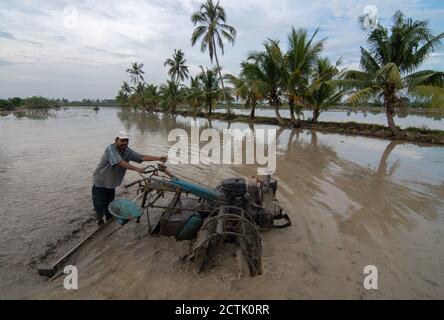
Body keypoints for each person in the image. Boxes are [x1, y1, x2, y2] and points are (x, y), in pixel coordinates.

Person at [92, 131, 167, 225]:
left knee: (109, 204)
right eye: (122, 140)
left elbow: (141, 157)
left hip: (112, 183)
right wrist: (137, 169)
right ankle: (99, 221)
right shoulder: (110, 149)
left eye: (126, 141)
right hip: (101, 181)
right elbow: (121, 163)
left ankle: (108, 222)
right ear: (116, 140)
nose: (124, 143)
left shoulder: (127, 150)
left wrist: (158, 158)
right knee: (99, 205)